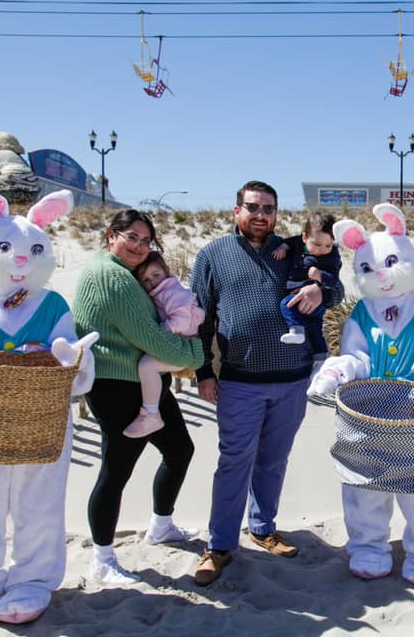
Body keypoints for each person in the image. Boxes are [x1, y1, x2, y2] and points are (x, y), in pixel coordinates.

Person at [190, 180, 345, 586]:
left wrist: (318, 288)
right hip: (239, 381)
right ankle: (220, 544)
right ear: (236, 210)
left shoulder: (292, 249)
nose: (261, 215)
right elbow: (199, 320)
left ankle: (262, 528)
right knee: (233, 462)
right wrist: (203, 371)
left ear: (277, 214)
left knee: (274, 460)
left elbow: (337, 283)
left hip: (292, 380)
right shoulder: (212, 255)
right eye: (253, 207)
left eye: (268, 209)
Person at [73, 210, 205, 586]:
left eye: (146, 242)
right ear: (111, 235)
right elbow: (152, 338)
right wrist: (196, 356)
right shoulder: (110, 277)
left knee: (179, 449)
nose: (139, 247)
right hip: (117, 386)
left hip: (142, 382)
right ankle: (102, 558)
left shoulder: (117, 270)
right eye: (131, 237)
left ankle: (161, 526)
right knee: (116, 470)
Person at [123, 251, 206, 438]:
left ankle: (151, 414)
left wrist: (157, 332)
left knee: (147, 366)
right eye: (145, 280)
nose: (152, 282)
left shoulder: (171, 292)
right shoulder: (163, 291)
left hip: (187, 346)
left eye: (156, 275)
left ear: (166, 271)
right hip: (184, 343)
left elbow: (181, 321)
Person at [271, 211, 342, 357]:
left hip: (313, 302)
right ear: (305, 237)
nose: (323, 250)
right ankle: (321, 355)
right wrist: (283, 247)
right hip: (299, 295)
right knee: (314, 328)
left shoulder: (331, 256)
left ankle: (296, 331)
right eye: (317, 244)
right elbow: (290, 242)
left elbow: (335, 283)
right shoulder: (297, 243)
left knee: (286, 305)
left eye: (328, 245)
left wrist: (320, 281)